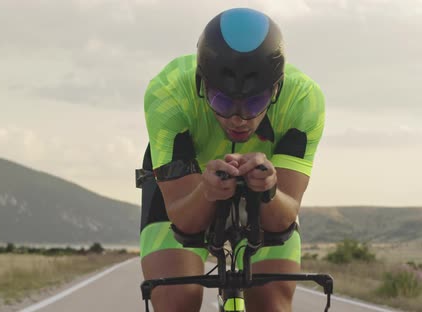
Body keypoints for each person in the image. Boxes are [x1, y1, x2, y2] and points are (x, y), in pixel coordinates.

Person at [139, 7, 325, 312]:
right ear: (202, 85)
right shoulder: (168, 92)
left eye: (255, 102)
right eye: (221, 100)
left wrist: (268, 190)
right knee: (176, 300)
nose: (238, 118)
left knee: (272, 304)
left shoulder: (303, 100)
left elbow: (283, 218)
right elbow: (185, 221)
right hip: (188, 185)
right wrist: (205, 191)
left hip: (266, 188)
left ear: (276, 90)